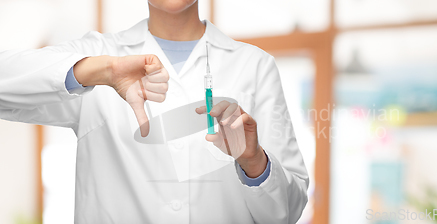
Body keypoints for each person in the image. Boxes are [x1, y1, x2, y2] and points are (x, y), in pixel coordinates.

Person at [0, 0, 308, 223]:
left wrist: (253, 160)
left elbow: (286, 212)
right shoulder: (98, 55)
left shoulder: (254, 66)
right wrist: (101, 69)